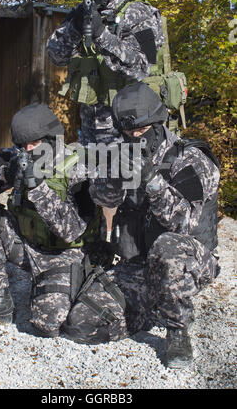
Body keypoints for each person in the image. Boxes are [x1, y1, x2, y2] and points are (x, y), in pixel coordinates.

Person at [61, 82, 220, 369]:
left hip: (189, 261)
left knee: (167, 246)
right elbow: (99, 196)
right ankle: (153, 305)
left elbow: (184, 223)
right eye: (129, 131)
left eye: (142, 129)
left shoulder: (190, 158)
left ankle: (177, 328)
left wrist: (152, 182)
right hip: (140, 263)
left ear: (158, 122)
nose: (135, 136)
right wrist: (113, 179)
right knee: (82, 324)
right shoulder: (120, 153)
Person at [0, 102, 104, 336]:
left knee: (48, 324)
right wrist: (8, 173)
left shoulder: (81, 165)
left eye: (35, 143)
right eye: (22, 145)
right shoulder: (18, 156)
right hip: (25, 243)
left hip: (63, 254)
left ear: (52, 139)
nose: (28, 149)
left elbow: (73, 230)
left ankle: (76, 281)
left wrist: (38, 187)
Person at [47, 0, 165, 145]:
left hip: (132, 134)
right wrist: (75, 28)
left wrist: (102, 35)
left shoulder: (139, 13)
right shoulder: (84, 12)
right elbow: (55, 55)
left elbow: (144, 67)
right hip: (92, 134)